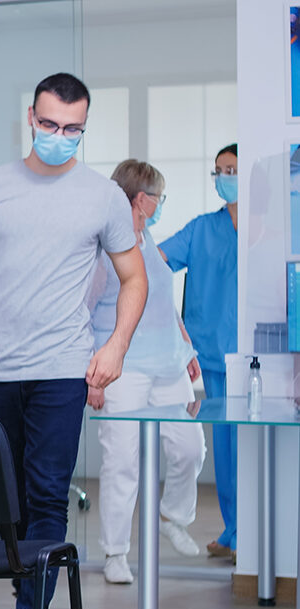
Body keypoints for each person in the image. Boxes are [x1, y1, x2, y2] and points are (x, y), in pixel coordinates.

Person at [0, 73, 147, 609]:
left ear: (84, 127)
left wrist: (115, 347)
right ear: (31, 117)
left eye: (73, 129)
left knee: (48, 495)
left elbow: (134, 279)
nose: (60, 136)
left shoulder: (102, 197)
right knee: (6, 501)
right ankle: (26, 595)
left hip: (62, 367)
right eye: (51, 124)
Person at [86, 160, 207, 584]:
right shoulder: (105, 248)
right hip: (123, 371)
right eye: (159, 196)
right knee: (122, 462)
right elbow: (84, 313)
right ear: (141, 199)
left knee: (190, 447)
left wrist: (186, 347)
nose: (160, 204)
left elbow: (161, 302)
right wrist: (93, 375)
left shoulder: (148, 238)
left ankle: (173, 516)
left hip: (168, 365)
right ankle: (115, 552)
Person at [158, 143, 239, 561]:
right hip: (212, 353)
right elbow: (154, 263)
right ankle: (234, 532)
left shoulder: (271, 227)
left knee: (253, 449)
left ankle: (253, 535)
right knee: (224, 449)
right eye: (219, 171)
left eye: (232, 170)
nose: (224, 178)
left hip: (258, 355)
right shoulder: (202, 229)